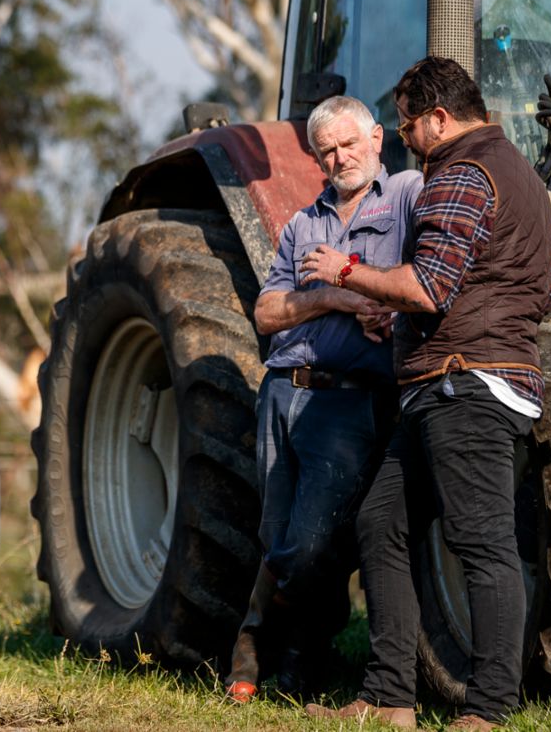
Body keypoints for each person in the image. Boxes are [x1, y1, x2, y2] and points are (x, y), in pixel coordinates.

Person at [301, 57, 551, 731]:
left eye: (408, 123)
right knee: (381, 522)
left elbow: (429, 286)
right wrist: (406, 315)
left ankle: (490, 709)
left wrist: (350, 272)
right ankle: (390, 699)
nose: (403, 136)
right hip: (454, 376)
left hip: (464, 382)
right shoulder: (519, 171)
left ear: (439, 118)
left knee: (483, 544)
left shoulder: (461, 173)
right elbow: (501, 282)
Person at [224, 95, 422, 703]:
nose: (339, 158)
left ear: (377, 140)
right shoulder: (302, 223)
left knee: (311, 543)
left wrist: (391, 310)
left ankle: (254, 638)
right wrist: (333, 297)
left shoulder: (408, 195)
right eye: (327, 150)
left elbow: (430, 274)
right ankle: (301, 666)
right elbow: (265, 312)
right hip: (283, 393)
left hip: (348, 398)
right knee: (279, 533)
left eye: (348, 144)